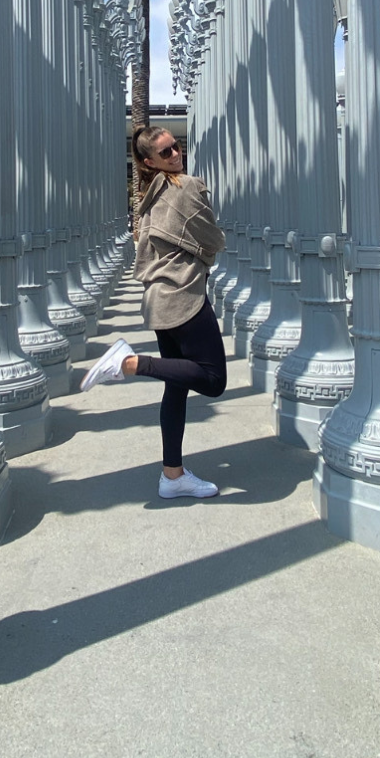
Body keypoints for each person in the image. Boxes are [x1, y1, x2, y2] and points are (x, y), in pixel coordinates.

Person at [81, 127, 227, 500]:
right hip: (183, 296)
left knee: (176, 388)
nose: (176, 154)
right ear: (149, 161)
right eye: (166, 152)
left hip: (160, 298)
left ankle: (172, 476)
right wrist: (205, 252)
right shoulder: (187, 187)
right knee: (213, 380)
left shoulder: (150, 195)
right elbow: (214, 239)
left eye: (176, 147)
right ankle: (130, 363)